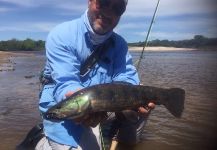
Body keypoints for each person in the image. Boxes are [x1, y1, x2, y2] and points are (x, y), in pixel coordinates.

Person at [36, 0, 155, 149]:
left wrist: (133, 95)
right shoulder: (62, 34)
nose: (108, 12)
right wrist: (84, 110)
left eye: (117, 8)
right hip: (69, 106)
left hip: (102, 105)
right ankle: (42, 144)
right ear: (90, 1)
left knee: (141, 107)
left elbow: (125, 77)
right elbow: (66, 83)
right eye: (103, 2)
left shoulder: (120, 44)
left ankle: (127, 143)